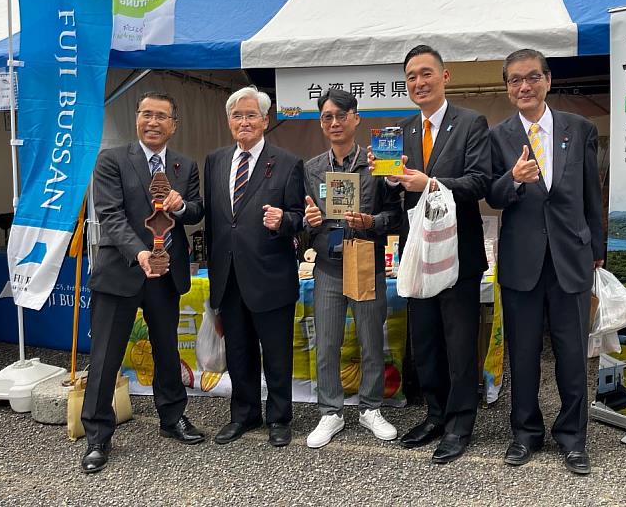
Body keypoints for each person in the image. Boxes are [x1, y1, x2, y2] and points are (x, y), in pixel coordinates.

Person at [371, 45, 491, 464]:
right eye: (410, 77)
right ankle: (435, 415)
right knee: (425, 343)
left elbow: (479, 182)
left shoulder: (471, 123)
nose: (418, 83)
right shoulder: (400, 130)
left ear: (446, 77)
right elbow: (391, 190)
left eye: (425, 74)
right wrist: (386, 177)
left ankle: (460, 424)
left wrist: (431, 183)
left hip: (458, 254)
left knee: (459, 343)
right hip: (416, 254)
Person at [486, 49, 604, 475]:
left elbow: (593, 194)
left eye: (531, 77)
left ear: (548, 80)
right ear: (507, 87)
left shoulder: (579, 128)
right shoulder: (497, 136)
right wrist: (512, 180)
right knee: (523, 353)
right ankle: (525, 434)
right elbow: (493, 195)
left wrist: (597, 250)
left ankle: (573, 438)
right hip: (522, 262)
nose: (524, 87)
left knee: (573, 354)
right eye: (515, 80)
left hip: (572, 257)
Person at [81, 92, 205, 474]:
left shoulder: (185, 166)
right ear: (137, 118)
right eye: (146, 114)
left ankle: (172, 417)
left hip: (166, 274)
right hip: (122, 271)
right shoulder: (112, 160)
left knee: (167, 349)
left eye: (161, 116)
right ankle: (98, 435)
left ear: (174, 124)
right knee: (105, 357)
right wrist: (140, 254)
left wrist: (181, 206)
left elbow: (197, 210)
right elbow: (110, 215)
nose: (153, 122)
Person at [204, 86, 305, 448]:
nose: (243, 122)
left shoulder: (287, 162)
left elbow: (301, 218)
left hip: (270, 275)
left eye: (251, 115)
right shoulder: (215, 160)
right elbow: (216, 224)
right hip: (228, 277)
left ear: (265, 121)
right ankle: (243, 415)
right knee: (239, 351)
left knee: (276, 352)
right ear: (229, 122)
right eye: (237, 116)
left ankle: (279, 417)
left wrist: (285, 220)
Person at [302, 89, 402, 448]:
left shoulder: (376, 166)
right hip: (328, 266)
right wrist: (309, 220)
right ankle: (331, 411)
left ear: (356, 118)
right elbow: (306, 221)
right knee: (327, 343)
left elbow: (395, 217)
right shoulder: (312, 168)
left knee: (371, 341)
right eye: (327, 117)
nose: (334, 123)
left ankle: (370, 407)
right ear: (321, 122)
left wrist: (370, 221)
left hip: (366, 261)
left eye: (341, 116)